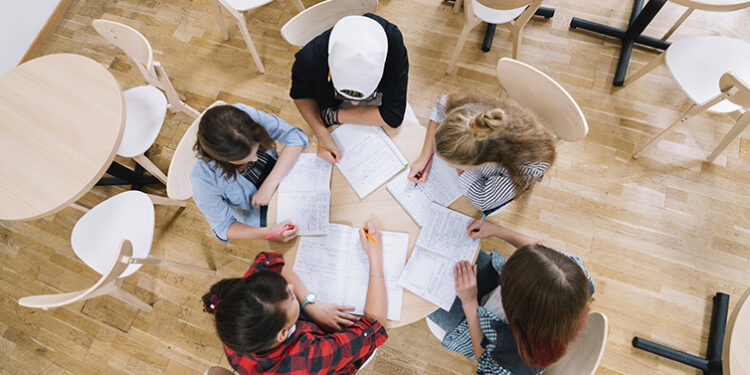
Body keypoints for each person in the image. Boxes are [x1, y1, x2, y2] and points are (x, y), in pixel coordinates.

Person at [202, 223, 388, 374]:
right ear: (283, 333)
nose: (291, 286)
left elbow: (269, 261)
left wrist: (310, 303)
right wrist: (375, 256)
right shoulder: (307, 358)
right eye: (291, 296)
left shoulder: (238, 317)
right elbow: (375, 325)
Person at [427, 220, 595, 374]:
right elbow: (542, 254)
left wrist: (469, 303)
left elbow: (485, 360)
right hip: (489, 300)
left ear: (513, 304)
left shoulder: (515, 364)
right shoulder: (575, 278)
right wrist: (498, 231)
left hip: (474, 325)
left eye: (506, 280)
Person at [408, 91, 556, 213]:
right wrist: (425, 156)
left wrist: (458, 167)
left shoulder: (525, 169)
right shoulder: (470, 115)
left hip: (523, 164)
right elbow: (441, 105)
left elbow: (482, 200)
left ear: (486, 163)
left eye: (454, 165)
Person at [290, 13, 409, 163]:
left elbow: (394, 115)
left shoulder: (391, 40)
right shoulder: (308, 59)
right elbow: (301, 95)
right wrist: (321, 132)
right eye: (343, 94)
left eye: (367, 95)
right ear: (330, 72)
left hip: (333, 113)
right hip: (329, 107)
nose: (354, 104)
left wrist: (332, 116)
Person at [190, 103, 307, 243]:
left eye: (258, 148)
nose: (255, 159)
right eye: (243, 159)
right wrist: (268, 233)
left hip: (284, 172)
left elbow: (295, 135)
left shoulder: (243, 120)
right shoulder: (203, 179)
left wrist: (269, 184)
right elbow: (224, 227)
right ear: (223, 159)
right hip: (262, 211)